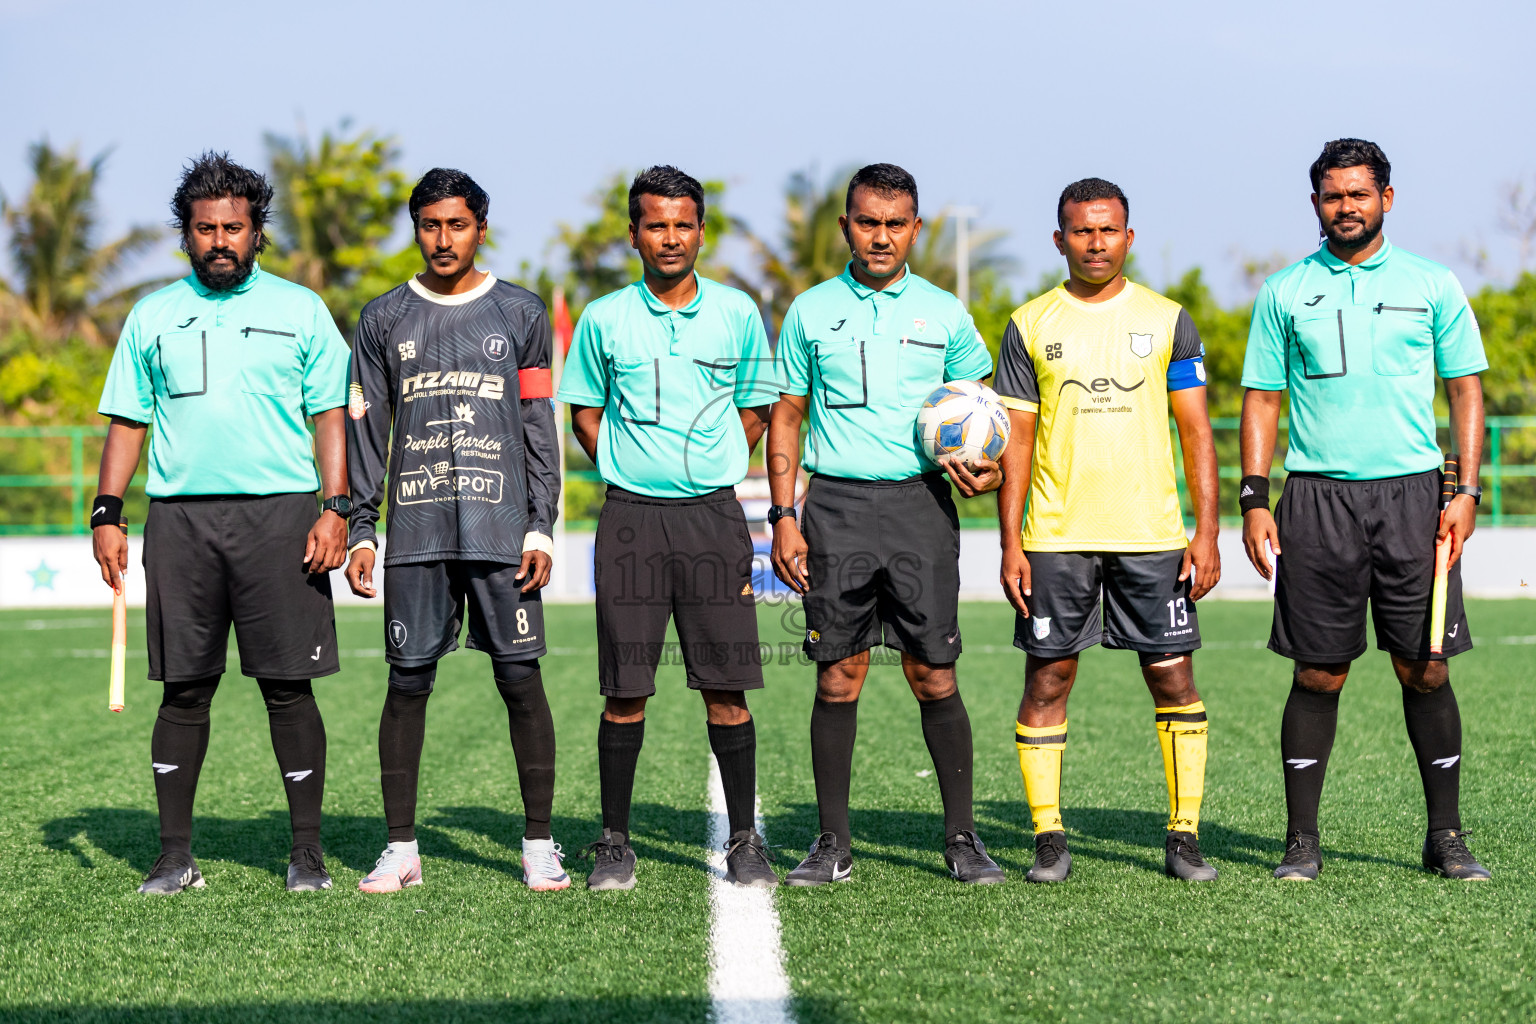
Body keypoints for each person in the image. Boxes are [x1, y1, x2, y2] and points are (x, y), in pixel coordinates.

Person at [91, 152, 350, 894]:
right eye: (205, 229)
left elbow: (328, 412)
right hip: (180, 524)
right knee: (184, 690)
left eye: (233, 227)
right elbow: (127, 420)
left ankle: (306, 854)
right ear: (187, 235)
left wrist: (335, 508)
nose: (220, 240)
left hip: (281, 518)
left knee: (288, 687)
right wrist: (106, 513)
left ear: (258, 232)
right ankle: (175, 855)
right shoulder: (151, 315)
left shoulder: (299, 310)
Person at [1239, 138, 1491, 881]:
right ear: (1315, 202)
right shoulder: (1285, 291)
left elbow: (1466, 391)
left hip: (1415, 496)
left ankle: (1445, 836)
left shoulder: (1433, 283)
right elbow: (1261, 397)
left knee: (1427, 669)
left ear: (1387, 196)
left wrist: (1466, 491)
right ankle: (1302, 840)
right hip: (1316, 499)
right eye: (1331, 195)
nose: (1345, 207)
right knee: (1319, 674)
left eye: (1358, 193)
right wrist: (1256, 500)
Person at [768, 162, 1005, 886]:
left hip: (919, 507)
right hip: (835, 507)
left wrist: (988, 470)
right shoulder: (810, 311)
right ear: (845, 226)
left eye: (894, 223)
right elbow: (787, 412)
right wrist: (784, 514)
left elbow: (982, 411)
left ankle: (962, 839)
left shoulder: (946, 314)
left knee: (934, 673)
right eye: (866, 222)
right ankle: (832, 844)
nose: (880, 236)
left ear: (915, 228)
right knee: (838, 676)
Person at [993, 178, 1222, 883]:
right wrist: (1010, 544)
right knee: (1049, 676)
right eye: (1081, 232)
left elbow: (1195, 431)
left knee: (1172, 675)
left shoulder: (1169, 318)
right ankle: (1048, 836)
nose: (1096, 243)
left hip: (1151, 534)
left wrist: (1206, 531)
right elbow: (1018, 442)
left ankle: (1183, 836)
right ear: (1059, 240)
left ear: (1129, 235)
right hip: (1056, 536)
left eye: (1108, 230)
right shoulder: (1029, 323)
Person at [344, 168, 566, 892]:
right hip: (416, 532)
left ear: (481, 227)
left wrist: (542, 526)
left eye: (457, 225)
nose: (444, 239)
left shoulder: (521, 314)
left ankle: (538, 843)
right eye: (430, 225)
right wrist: (361, 529)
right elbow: (368, 432)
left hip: (503, 533)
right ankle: (401, 848)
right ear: (416, 228)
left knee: (519, 679)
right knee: (407, 684)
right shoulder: (382, 319)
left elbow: (539, 427)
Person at [557, 165, 777, 890]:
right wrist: (629, 463)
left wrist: (711, 460)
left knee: (727, 686)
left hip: (713, 516)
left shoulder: (737, 313)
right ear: (634, 234)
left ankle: (744, 839)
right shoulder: (604, 318)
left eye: (683, 224)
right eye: (656, 224)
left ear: (701, 232)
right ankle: (614, 841)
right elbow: (584, 410)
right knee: (625, 690)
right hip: (629, 520)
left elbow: (757, 406)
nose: (671, 237)